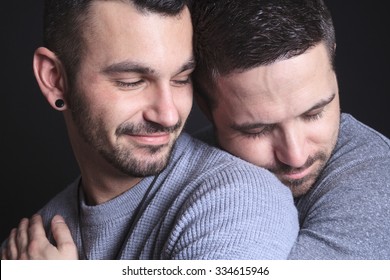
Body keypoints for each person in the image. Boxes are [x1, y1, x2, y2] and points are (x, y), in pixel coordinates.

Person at [1, 0, 299, 260]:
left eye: (182, 78)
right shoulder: (34, 246)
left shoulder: (238, 201)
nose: (168, 115)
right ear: (54, 78)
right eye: (132, 81)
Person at [191, 0, 390, 259]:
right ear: (203, 104)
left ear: (332, 61)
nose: (295, 156)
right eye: (257, 130)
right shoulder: (167, 161)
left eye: (314, 114)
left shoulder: (377, 184)